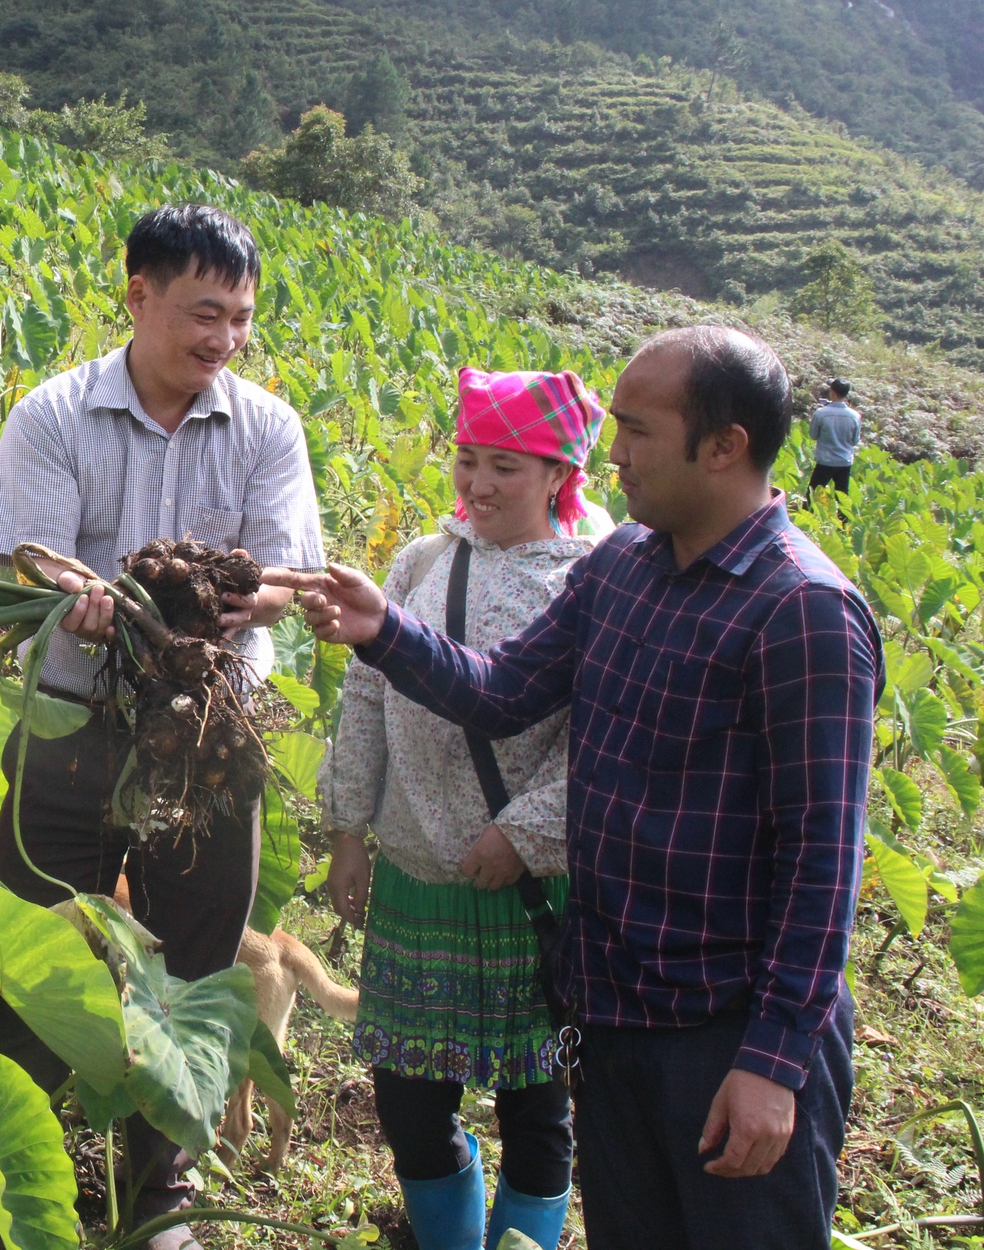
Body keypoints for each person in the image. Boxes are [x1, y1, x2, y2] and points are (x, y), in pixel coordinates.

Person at [284, 327, 881, 1249]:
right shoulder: (626, 567)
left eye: (638, 431)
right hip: (611, 1000)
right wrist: (383, 631)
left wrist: (774, 1062)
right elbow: (504, 689)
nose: (611, 454)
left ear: (723, 447)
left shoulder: (801, 612)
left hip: (722, 1023)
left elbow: (821, 865)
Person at [0, 203, 325, 1247]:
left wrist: (206, 599)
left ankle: (156, 1193)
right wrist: (85, 589)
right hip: (74, 722)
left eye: (240, 318)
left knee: (194, 965)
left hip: (206, 729)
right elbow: (27, 553)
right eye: (203, 313)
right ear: (137, 296)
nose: (222, 339)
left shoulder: (265, 427)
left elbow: (279, 578)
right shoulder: (54, 413)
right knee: (35, 948)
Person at [321, 367, 609, 1250]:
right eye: (469, 460)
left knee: (538, 1110)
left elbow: (602, 739)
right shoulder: (420, 561)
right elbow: (366, 699)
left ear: (560, 472)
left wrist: (527, 835)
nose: (479, 485)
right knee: (409, 1104)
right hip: (417, 872)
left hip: (536, 893)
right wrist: (348, 833)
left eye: (507, 467)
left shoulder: (595, 577)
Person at [809, 377, 861, 494]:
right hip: (844, 462)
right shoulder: (855, 416)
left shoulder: (820, 414)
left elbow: (813, 435)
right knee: (842, 498)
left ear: (832, 392)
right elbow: (855, 441)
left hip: (825, 461)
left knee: (812, 496)